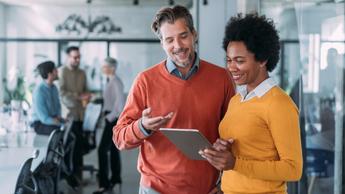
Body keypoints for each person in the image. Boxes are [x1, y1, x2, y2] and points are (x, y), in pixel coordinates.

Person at [113, 5, 235, 194]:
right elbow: (120, 138)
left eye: (183, 36)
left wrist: (224, 184)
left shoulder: (221, 78)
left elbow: (235, 136)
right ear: (162, 43)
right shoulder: (145, 81)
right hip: (155, 189)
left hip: (206, 189)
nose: (177, 46)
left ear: (194, 34)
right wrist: (142, 126)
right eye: (169, 40)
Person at [200, 13, 303, 194]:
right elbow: (247, 149)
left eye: (240, 61)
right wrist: (223, 156)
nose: (232, 68)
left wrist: (235, 164)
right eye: (229, 60)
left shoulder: (279, 104)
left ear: (262, 60)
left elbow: (293, 169)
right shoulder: (236, 100)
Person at [93, 57, 125, 194]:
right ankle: (116, 178)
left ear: (112, 68)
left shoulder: (116, 82)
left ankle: (104, 184)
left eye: (105, 66)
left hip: (112, 120)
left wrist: (108, 117)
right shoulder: (112, 81)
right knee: (113, 150)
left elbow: (120, 106)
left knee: (102, 150)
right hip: (111, 118)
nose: (102, 69)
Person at [58, 46, 91, 180]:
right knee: (68, 147)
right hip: (67, 116)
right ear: (68, 57)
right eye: (74, 57)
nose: (77, 59)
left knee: (79, 147)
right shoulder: (61, 72)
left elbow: (86, 90)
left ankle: (77, 175)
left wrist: (87, 96)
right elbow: (62, 94)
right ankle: (68, 176)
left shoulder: (82, 73)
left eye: (79, 57)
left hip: (81, 115)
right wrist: (78, 96)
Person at [32, 61, 64, 135]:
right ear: (50, 74)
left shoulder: (54, 88)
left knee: (71, 129)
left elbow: (57, 107)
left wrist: (61, 119)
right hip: (41, 123)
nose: (57, 71)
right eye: (55, 70)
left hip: (53, 120)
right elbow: (44, 118)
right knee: (59, 133)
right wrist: (60, 124)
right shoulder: (39, 91)